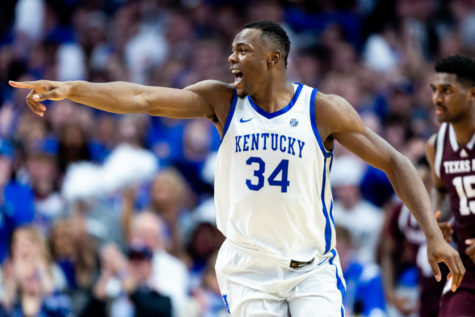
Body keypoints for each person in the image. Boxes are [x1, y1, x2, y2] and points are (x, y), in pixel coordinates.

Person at [9, 20, 464, 316]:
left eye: (241, 51)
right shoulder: (221, 101)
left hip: (312, 268)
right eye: (231, 50)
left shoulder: (322, 110)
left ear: (272, 59)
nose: (231, 59)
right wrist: (71, 89)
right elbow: (142, 97)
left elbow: (396, 162)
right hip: (248, 267)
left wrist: (433, 234)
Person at [425, 55, 475, 317]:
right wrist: (437, 221)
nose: (437, 98)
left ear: (472, 94)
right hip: (467, 270)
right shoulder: (436, 144)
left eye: (447, 91)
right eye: (435, 90)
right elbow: (440, 189)